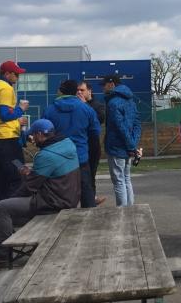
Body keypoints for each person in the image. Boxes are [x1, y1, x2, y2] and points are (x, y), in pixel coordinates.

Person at [0, 119, 80, 271]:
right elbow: (49, 175)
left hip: (53, 202)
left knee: (1, 208)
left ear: (40, 134)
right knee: (11, 208)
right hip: (69, 198)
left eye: (32, 136)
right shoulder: (67, 144)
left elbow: (30, 187)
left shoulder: (45, 155)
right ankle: (16, 244)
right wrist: (32, 174)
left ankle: (2, 258)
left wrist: (25, 176)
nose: (31, 140)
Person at [0, 60, 28, 240]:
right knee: (18, 177)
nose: (17, 77)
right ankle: (9, 224)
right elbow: (5, 115)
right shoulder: (5, 89)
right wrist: (20, 110)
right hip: (6, 142)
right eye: (15, 74)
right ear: (7, 74)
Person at [44, 79, 102, 208]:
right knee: (86, 190)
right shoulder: (86, 109)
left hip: (58, 157)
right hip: (80, 156)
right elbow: (95, 131)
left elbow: (44, 133)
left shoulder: (50, 110)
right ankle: (90, 218)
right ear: (75, 91)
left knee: (59, 192)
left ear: (61, 91)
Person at [103, 75, 142, 206]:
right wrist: (133, 144)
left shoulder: (113, 103)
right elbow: (137, 124)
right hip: (128, 147)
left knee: (119, 181)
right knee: (126, 179)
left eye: (104, 85)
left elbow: (120, 127)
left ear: (111, 84)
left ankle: (122, 213)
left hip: (116, 147)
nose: (103, 88)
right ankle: (130, 210)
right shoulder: (131, 101)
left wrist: (130, 145)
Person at [76, 80, 105, 193]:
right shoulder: (75, 105)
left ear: (89, 91)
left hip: (92, 145)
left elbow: (100, 119)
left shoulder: (98, 105)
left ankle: (92, 197)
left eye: (82, 90)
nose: (79, 92)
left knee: (90, 173)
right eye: (77, 90)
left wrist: (85, 105)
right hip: (79, 144)